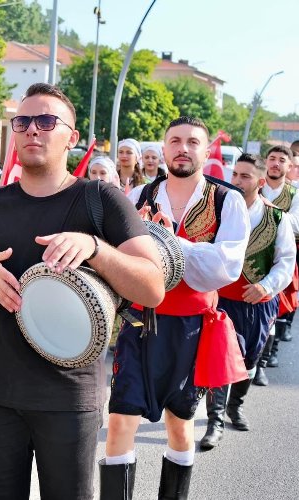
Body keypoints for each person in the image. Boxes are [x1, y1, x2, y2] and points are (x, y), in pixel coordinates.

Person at [0, 83, 164, 500]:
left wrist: (95, 249)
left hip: (70, 398)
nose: (32, 130)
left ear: (71, 137)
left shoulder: (101, 200)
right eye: (23, 121)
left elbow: (152, 288)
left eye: (46, 121)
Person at [105, 116, 250, 499]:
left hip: (191, 328)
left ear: (205, 150)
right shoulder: (139, 197)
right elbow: (122, 256)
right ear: (164, 147)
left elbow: (223, 268)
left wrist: (169, 242)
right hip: (138, 322)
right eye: (175, 140)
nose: (182, 148)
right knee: (120, 421)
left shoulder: (227, 199)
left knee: (179, 425)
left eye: (192, 142)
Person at [199, 153, 294, 450]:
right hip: (223, 299)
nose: (237, 181)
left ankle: (234, 406)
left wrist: (265, 286)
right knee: (221, 356)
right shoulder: (218, 211)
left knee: (249, 360)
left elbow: (285, 263)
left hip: (258, 302)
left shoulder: (278, 218)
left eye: (245, 176)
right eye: (235, 175)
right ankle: (214, 423)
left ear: (261, 182)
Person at [259, 145, 299, 365]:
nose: (275, 163)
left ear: (289, 165)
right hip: (250, 258)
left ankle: (268, 356)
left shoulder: (295, 194)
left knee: (278, 310)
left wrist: (267, 207)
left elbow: (296, 224)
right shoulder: (255, 186)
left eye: (281, 160)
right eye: (272, 158)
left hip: (279, 258)